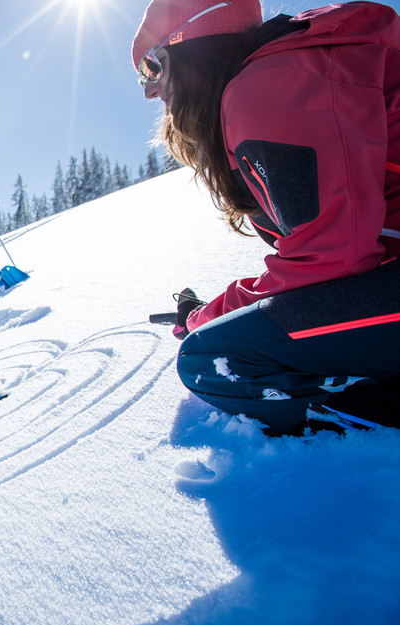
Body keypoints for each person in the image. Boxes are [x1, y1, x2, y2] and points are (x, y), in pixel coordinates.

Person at [134, 0, 400, 434]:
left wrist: (207, 319)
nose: (149, 90)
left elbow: (333, 261)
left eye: (152, 66)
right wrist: (218, 310)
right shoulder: (288, 72)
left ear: (197, 44)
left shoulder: (267, 88)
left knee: (214, 358)